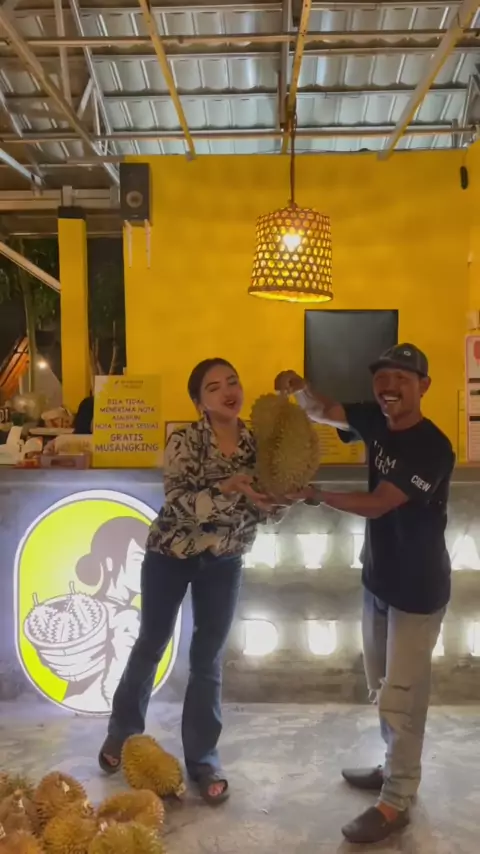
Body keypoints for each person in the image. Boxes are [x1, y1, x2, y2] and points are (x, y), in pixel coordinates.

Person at [275, 343, 455, 845]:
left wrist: (316, 494)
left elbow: (379, 503)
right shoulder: (377, 421)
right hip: (378, 577)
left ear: (424, 386)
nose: (389, 386)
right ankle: (392, 765)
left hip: (417, 589)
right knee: (381, 685)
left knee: (403, 697)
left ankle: (397, 800)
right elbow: (325, 411)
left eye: (402, 378)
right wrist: (299, 389)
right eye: (382, 377)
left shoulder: (432, 447)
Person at [98, 358, 272, 805]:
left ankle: (203, 760)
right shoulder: (185, 440)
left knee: (207, 658)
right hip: (170, 555)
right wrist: (229, 488)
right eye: (214, 388)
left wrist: (279, 499)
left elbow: (265, 510)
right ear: (199, 402)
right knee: (151, 644)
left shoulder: (259, 444)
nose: (228, 391)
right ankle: (122, 733)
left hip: (225, 560)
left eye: (233, 381)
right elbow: (177, 503)